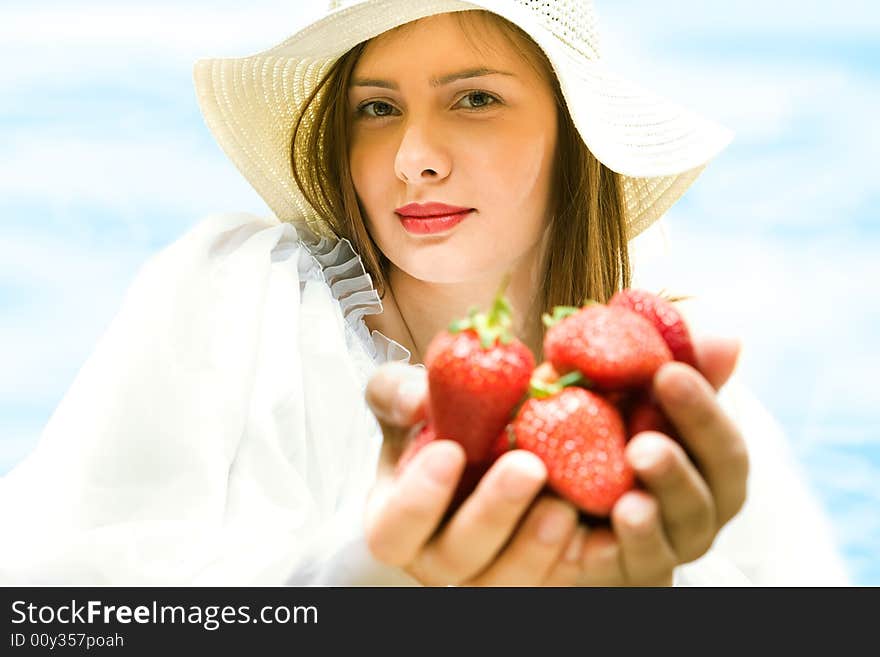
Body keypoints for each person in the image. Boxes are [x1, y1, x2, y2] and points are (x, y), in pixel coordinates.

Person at [0, 0, 850, 586]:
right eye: (376, 109)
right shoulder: (233, 297)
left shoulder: (673, 403)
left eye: (474, 99)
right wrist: (368, 583)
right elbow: (53, 617)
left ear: (577, 138)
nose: (414, 157)